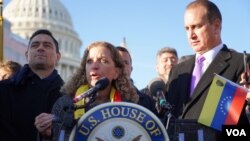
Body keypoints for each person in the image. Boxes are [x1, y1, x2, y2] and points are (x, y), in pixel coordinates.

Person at [166, 1, 250, 140]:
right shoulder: (178, 71)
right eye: (187, 28)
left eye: (197, 26)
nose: (191, 35)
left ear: (216, 26)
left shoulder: (242, 63)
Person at [48, 41, 157, 141]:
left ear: (116, 72)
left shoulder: (131, 108)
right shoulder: (65, 104)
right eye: (89, 61)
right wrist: (46, 134)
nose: (94, 66)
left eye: (103, 61)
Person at [0, 29, 64, 141]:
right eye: (35, 45)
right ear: (27, 54)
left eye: (47, 45)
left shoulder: (67, 97)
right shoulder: (4, 90)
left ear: (58, 57)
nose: (40, 48)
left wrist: (51, 134)